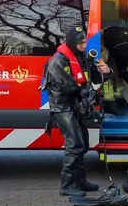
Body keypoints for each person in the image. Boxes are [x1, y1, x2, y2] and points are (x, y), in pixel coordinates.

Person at [42, 25, 112, 196]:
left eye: (84, 42)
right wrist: (85, 94)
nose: (83, 45)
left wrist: (106, 71)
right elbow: (69, 86)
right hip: (63, 107)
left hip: (77, 105)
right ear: (72, 42)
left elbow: (94, 78)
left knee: (83, 144)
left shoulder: (82, 57)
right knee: (74, 145)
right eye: (80, 43)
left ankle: (80, 181)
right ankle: (66, 186)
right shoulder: (58, 61)